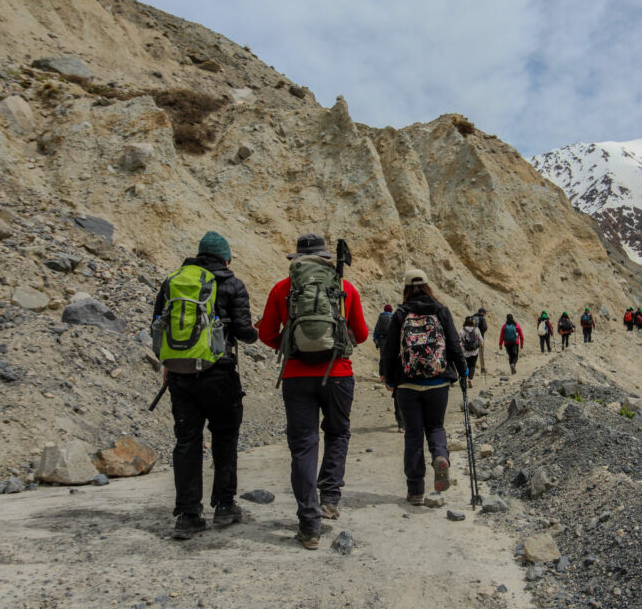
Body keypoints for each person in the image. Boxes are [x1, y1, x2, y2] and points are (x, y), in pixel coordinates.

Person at [257, 234, 368, 550]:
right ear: (325, 258)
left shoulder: (283, 288)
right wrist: (336, 345)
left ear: (297, 260)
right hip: (338, 374)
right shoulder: (344, 287)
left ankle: (309, 525)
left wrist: (290, 347)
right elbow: (360, 333)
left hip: (296, 377)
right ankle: (330, 498)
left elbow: (265, 333)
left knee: (303, 446)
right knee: (337, 433)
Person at [154, 231, 258, 540]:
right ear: (225, 258)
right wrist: (257, 330)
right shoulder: (232, 285)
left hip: (180, 375)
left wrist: (169, 366)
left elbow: (158, 326)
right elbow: (243, 333)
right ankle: (225, 506)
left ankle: (188, 514)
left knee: (187, 441)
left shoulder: (172, 282)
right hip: (220, 374)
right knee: (225, 438)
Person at [379, 269, 467, 505]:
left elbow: (388, 349)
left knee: (413, 435)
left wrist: (387, 376)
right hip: (438, 382)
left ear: (406, 289)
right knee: (436, 426)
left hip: (408, 385)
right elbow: (454, 344)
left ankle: (415, 490)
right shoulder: (441, 310)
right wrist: (463, 371)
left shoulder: (400, 313)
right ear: (428, 286)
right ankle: (440, 456)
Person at [460, 316, 483, 387]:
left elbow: (459, 340)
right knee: (472, 365)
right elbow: (480, 339)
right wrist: (481, 345)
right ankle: (470, 379)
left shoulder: (462, 330)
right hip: (474, 350)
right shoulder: (476, 329)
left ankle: (464, 377)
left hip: (465, 351)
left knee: (466, 365)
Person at [471, 307, 489, 375]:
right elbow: (485, 328)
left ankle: (471, 369)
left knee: (472, 354)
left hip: (471, 339)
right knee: (481, 353)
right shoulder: (482, 318)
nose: (485, 314)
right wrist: (481, 332)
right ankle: (483, 369)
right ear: (482, 312)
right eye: (485, 312)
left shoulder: (471, 317)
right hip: (480, 338)